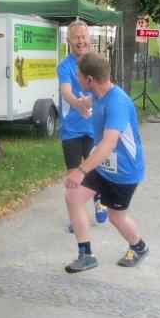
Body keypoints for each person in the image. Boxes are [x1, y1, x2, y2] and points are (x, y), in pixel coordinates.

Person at [63, 52, 147, 273]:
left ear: (90, 79)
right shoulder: (100, 94)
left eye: (79, 76)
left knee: (116, 217)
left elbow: (109, 143)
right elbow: (95, 101)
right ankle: (86, 255)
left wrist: (81, 170)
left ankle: (139, 247)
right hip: (103, 165)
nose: (77, 79)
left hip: (124, 171)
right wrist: (83, 102)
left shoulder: (118, 103)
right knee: (73, 197)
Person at [58, 20, 107, 230]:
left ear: (89, 39)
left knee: (95, 169)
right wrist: (77, 104)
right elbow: (65, 91)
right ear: (69, 41)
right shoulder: (65, 66)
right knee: (73, 175)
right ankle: (76, 216)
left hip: (94, 127)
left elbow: (106, 90)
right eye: (76, 37)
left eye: (83, 37)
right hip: (71, 129)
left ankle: (100, 199)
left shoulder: (96, 63)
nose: (80, 41)